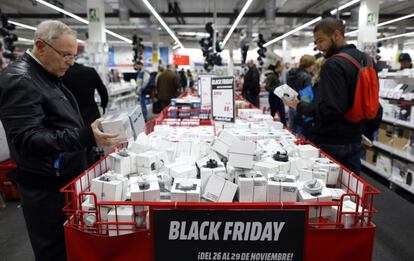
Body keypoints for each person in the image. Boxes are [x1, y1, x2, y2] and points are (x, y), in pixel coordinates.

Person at [0, 20, 119, 261]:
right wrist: (84, 135)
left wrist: (87, 133)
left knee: (68, 248)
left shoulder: (45, 74)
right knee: (54, 251)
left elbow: (56, 122)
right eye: (65, 55)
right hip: (47, 189)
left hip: (61, 182)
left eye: (73, 55)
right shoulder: (20, 80)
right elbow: (28, 139)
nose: (71, 62)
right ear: (40, 46)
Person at [283, 17, 377, 175]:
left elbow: (330, 109)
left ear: (336, 35)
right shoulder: (366, 59)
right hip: (355, 137)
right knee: (351, 191)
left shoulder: (333, 64)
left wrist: (298, 106)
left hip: (331, 141)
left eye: (321, 41)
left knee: (326, 191)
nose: (318, 47)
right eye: (316, 42)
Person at [286, 55, 316, 135]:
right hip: (301, 106)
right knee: (301, 132)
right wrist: (306, 108)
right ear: (310, 64)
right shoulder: (307, 77)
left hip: (291, 103)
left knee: (291, 129)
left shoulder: (290, 74)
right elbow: (306, 96)